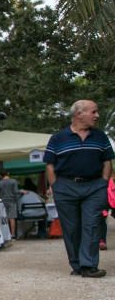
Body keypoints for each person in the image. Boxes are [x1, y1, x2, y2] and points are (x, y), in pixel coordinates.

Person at [44, 100, 113, 277]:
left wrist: (103, 183)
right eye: (94, 112)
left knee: (91, 225)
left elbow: (107, 161)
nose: (97, 115)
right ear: (79, 114)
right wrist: (56, 186)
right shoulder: (58, 138)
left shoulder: (100, 136)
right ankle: (77, 264)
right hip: (65, 187)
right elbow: (49, 165)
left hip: (94, 187)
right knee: (71, 227)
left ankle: (89, 266)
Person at [0, 170, 20, 237]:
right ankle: (12, 234)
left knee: (5, 218)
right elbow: (16, 192)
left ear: (1, 176)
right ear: (8, 174)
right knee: (12, 218)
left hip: (3, 201)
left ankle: (5, 234)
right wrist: (21, 192)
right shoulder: (13, 181)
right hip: (12, 201)